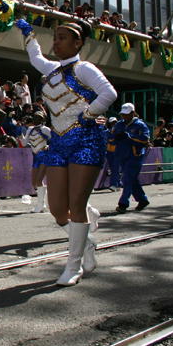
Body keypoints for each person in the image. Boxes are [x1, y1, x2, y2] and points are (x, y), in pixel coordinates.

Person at [19, 16, 117, 287]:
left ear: (77, 43)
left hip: (86, 140)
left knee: (76, 205)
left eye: (62, 38)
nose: (57, 42)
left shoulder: (84, 69)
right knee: (57, 209)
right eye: (55, 37)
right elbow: (35, 55)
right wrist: (27, 32)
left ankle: (74, 266)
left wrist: (89, 114)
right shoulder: (51, 69)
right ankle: (85, 243)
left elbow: (109, 94)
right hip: (59, 143)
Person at [113, 103, 150, 213]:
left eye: (127, 114)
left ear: (132, 113)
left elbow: (144, 140)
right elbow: (111, 137)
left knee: (127, 180)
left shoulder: (141, 125)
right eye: (123, 114)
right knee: (132, 180)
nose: (124, 116)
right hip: (122, 155)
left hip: (135, 156)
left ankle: (123, 203)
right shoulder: (119, 124)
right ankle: (142, 200)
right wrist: (117, 136)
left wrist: (129, 137)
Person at [21, 112, 51, 213]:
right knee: (34, 183)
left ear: (42, 119)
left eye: (38, 118)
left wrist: (50, 147)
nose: (35, 119)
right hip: (35, 157)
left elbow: (55, 139)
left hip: (44, 156)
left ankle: (41, 204)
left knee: (39, 181)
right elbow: (25, 143)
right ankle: (42, 203)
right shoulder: (30, 129)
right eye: (34, 117)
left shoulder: (45, 129)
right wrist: (20, 134)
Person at [104, 116, 121, 191]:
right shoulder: (107, 132)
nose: (114, 124)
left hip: (116, 151)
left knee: (115, 168)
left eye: (115, 122)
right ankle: (118, 183)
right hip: (109, 152)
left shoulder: (119, 132)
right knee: (113, 168)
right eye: (112, 123)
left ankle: (114, 185)